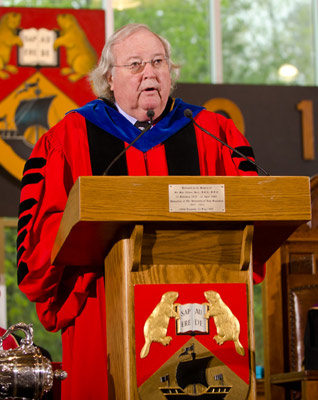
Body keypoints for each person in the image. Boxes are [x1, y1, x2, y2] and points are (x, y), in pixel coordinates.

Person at [16, 23, 259, 400]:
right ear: (110, 79)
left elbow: (253, 216)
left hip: (201, 307)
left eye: (158, 62)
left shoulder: (212, 131)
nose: (149, 72)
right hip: (102, 307)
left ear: (171, 73)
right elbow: (41, 237)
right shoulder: (70, 136)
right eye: (135, 64)